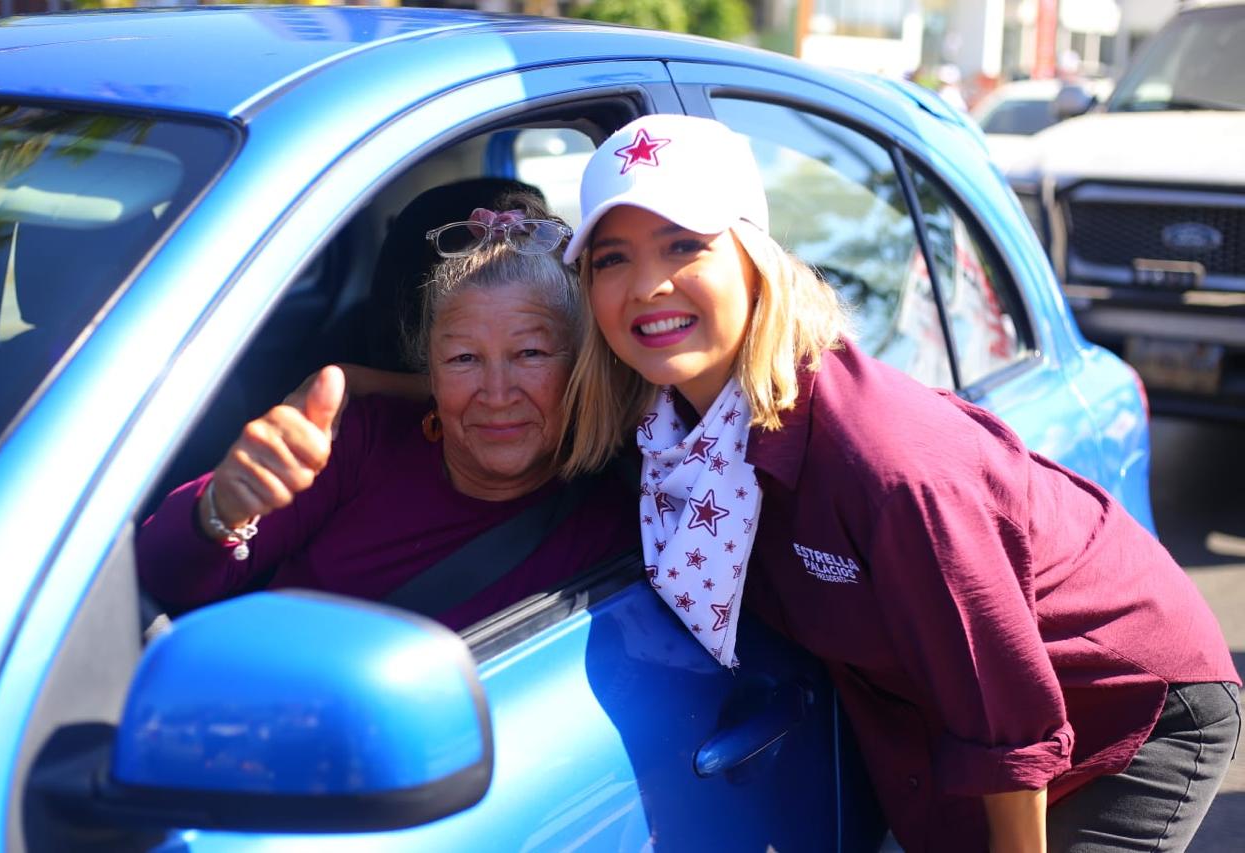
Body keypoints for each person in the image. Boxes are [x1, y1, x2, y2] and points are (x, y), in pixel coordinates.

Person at [559, 114, 1240, 853]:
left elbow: (1003, 717)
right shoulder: (663, 439)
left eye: (685, 245)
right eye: (611, 259)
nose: (647, 285)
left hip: (1121, 710)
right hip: (950, 731)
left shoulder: (883, 464)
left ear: (756, 261)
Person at [137, 196, 638, 630]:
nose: (497, 393)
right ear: (430, 372)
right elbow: (162, 576)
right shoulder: (359, 440)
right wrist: (221, 507)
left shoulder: (627, 513)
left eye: (531, 354)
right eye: (463, 359)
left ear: (581, 364)